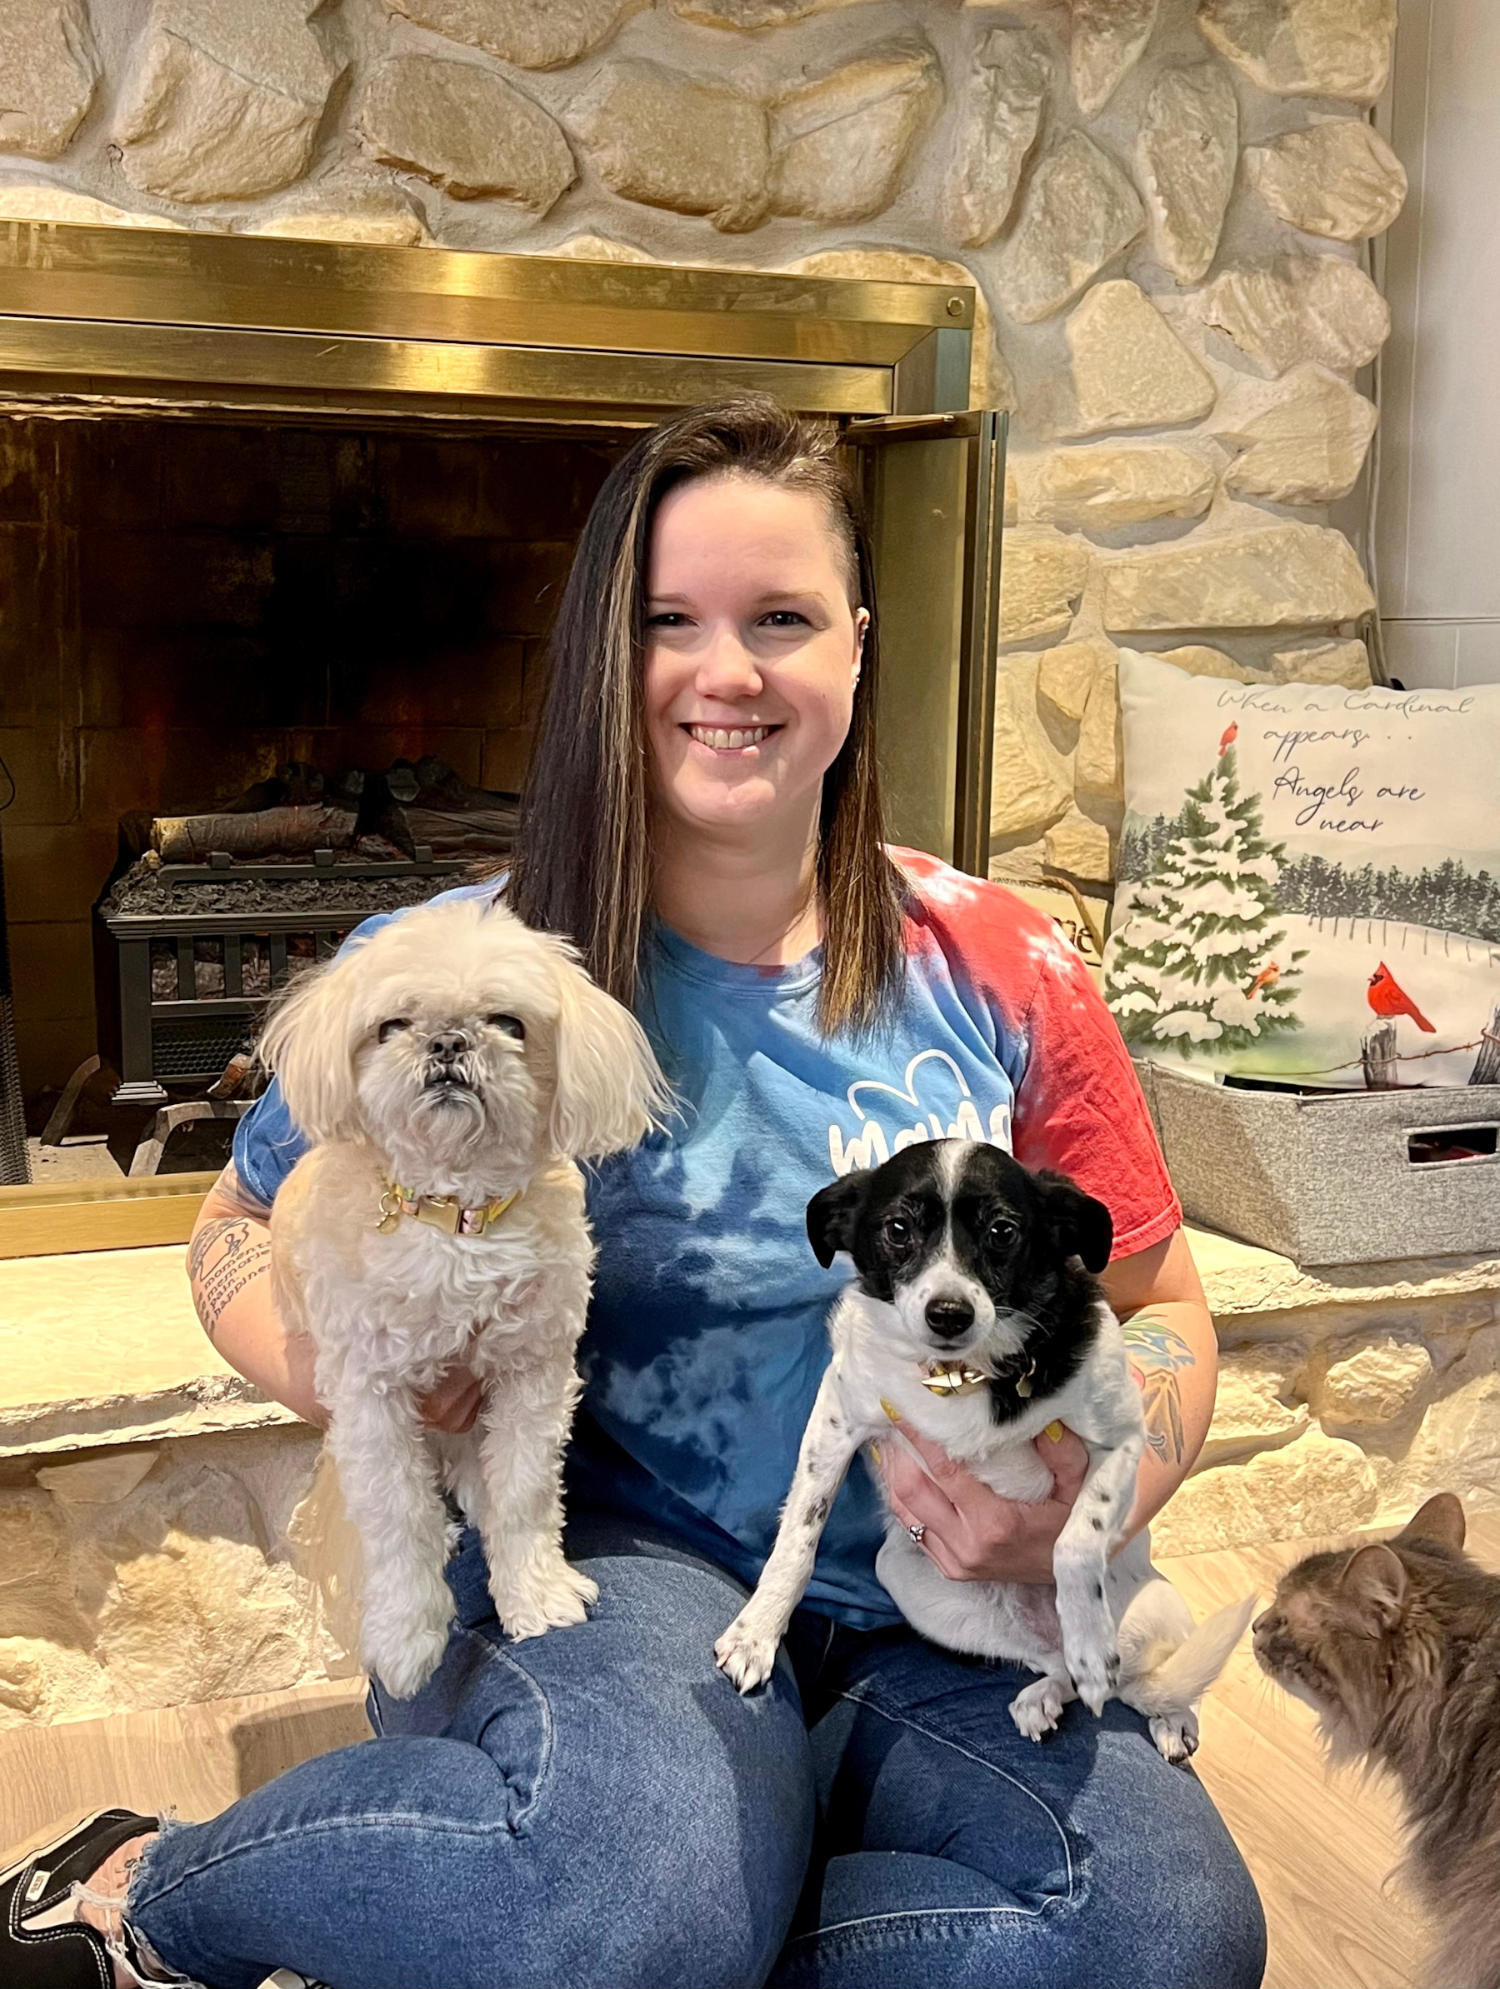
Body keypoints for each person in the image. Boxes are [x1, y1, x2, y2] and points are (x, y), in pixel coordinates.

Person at [5, 397, 1265, 1989]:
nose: (725, 671)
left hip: (943, 1600)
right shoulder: (474, 968)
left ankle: (647, 1908)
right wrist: (353, 1373)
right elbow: (234, 1224)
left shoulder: (1008, 966)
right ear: (609, 653)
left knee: (1168, 1938)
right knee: (633, 1892)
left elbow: (1157, 1307)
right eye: (667, 622)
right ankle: (154, 1885)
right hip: (609, 1567)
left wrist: (1087, 1502)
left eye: (782, 618)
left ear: (860, 648)